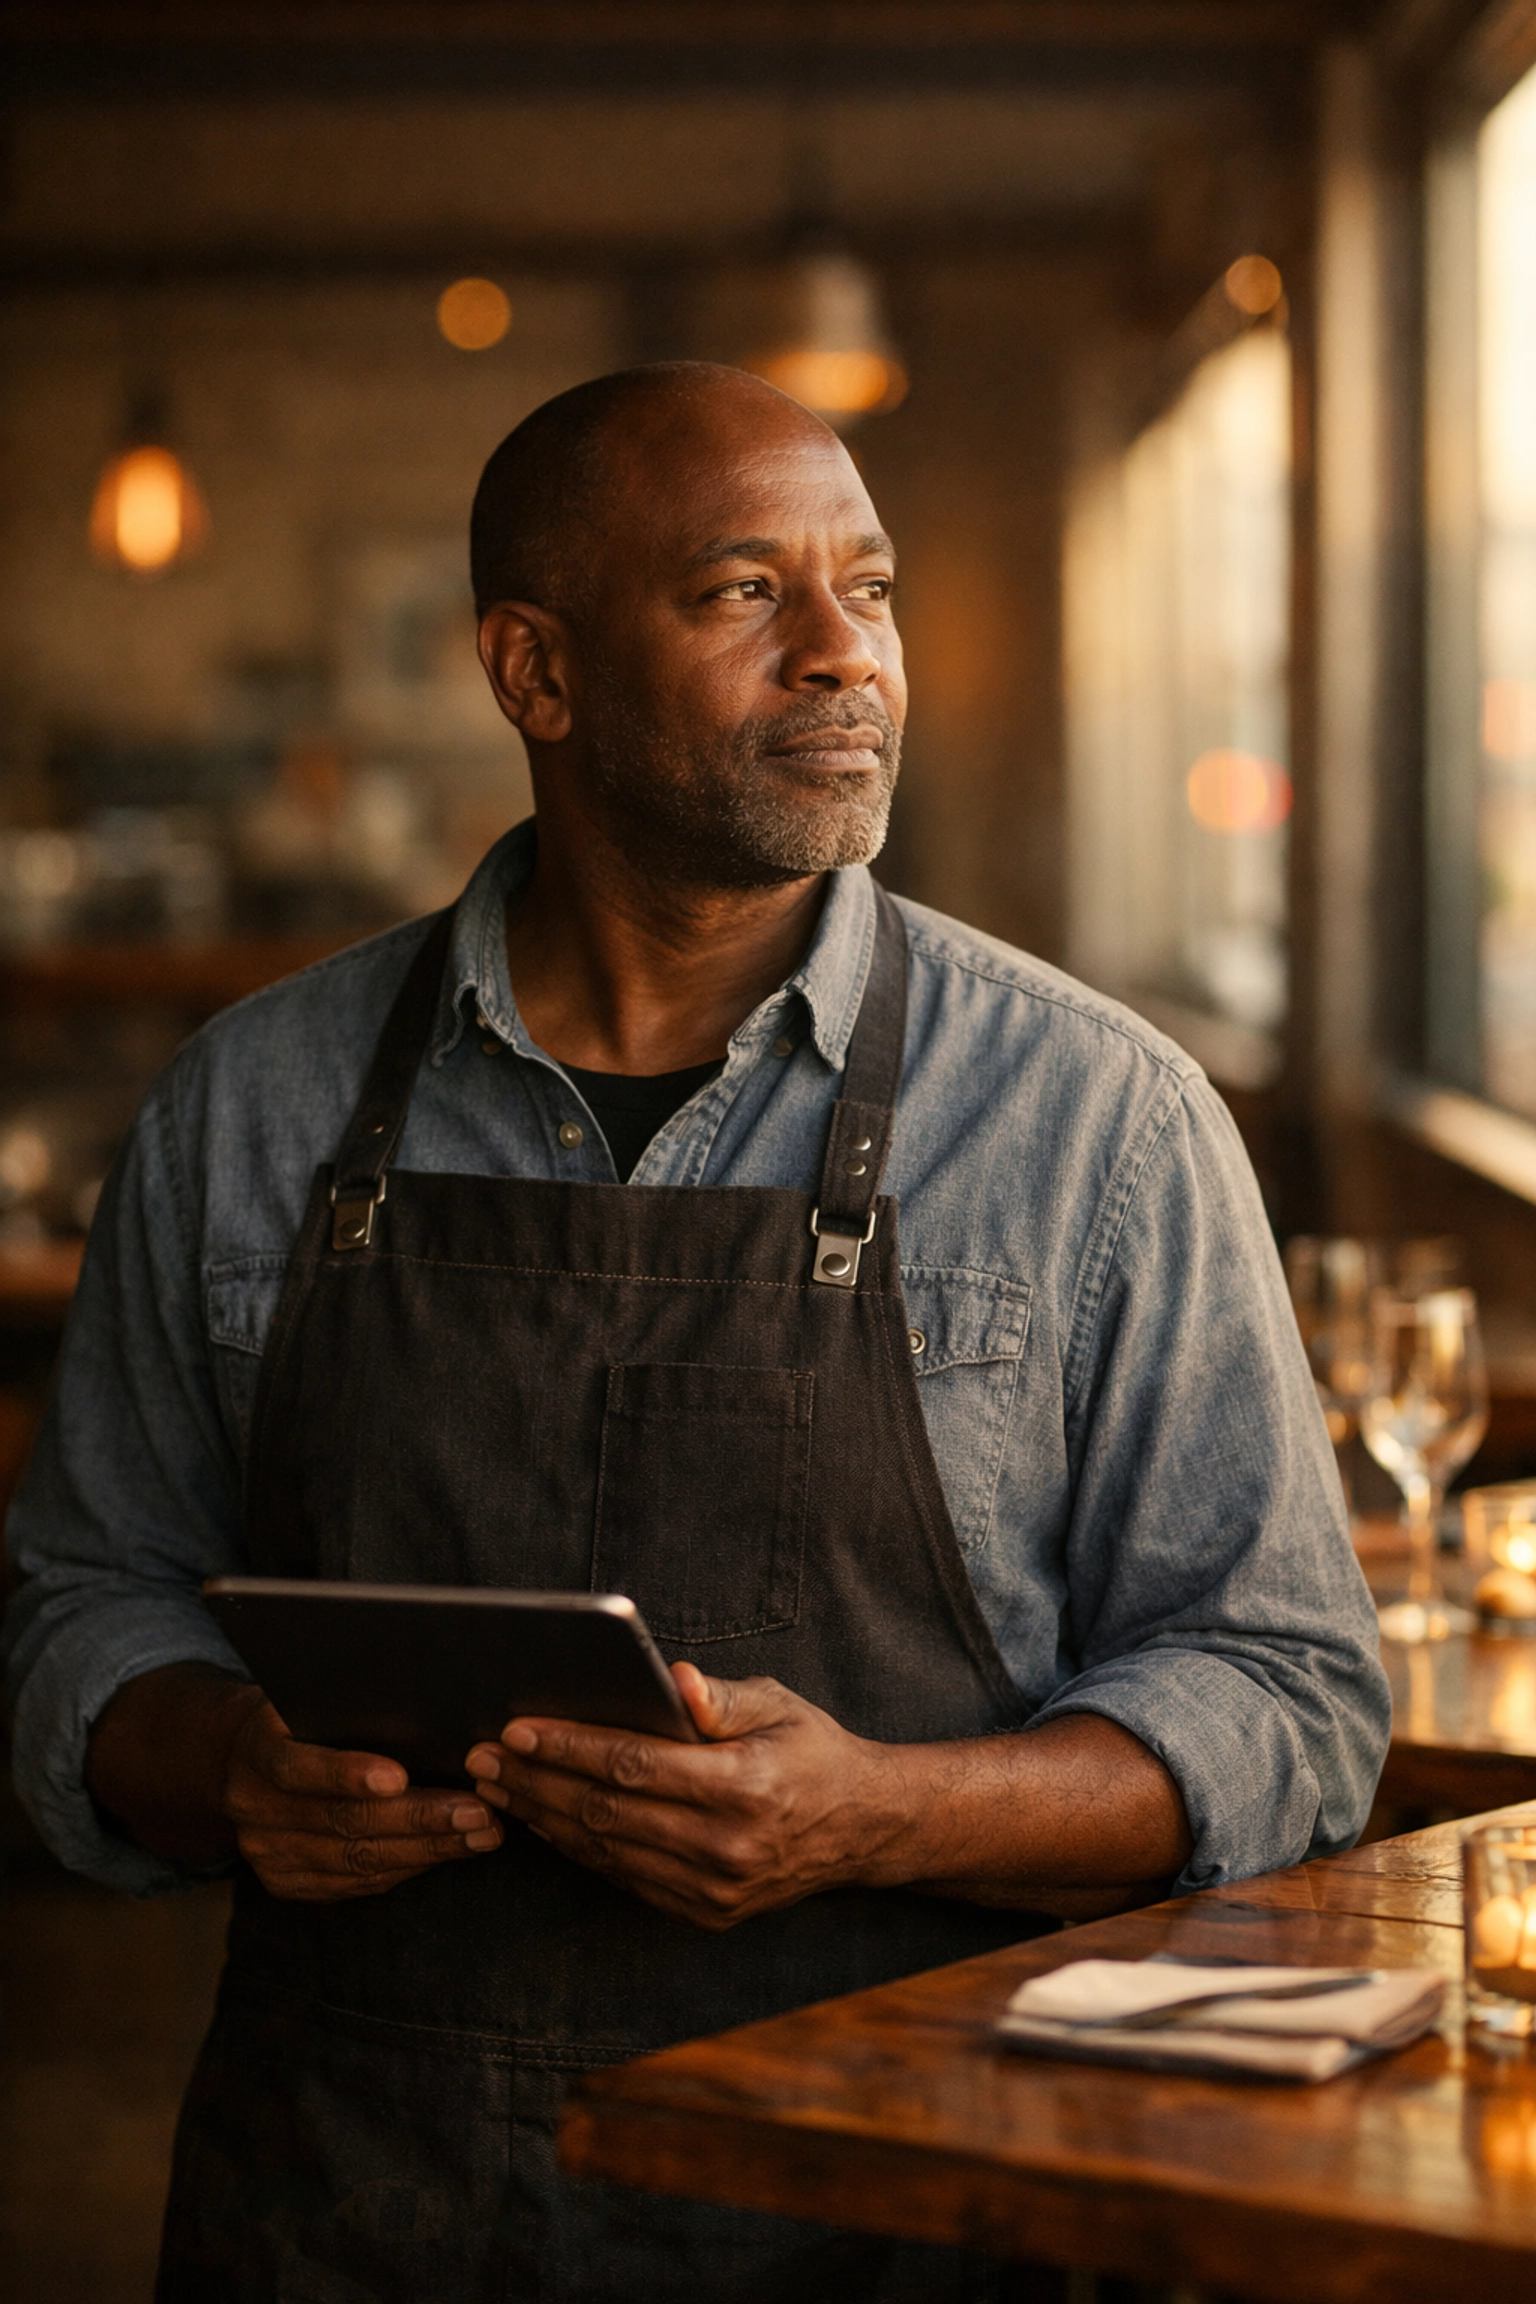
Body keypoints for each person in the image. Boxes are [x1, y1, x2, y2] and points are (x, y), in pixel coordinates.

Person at [3, 363, 1389, 2304]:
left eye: (873, 589)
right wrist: (224, 1762)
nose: (848, 654)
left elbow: (1292, 1696)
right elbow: (83, 1610)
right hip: (356, 2207)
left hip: (915, 2203)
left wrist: (879, 1817)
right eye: (749, 591)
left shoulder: (1102, 1124)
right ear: (534, 673)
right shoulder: (248, 1110)